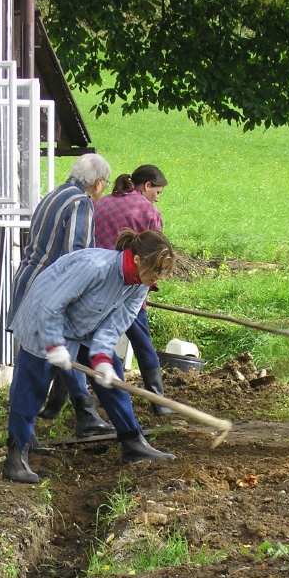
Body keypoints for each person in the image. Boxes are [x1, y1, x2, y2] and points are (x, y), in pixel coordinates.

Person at [3, 229, 177, 484]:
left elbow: (118, 322)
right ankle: (15, 458)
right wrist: (54, 345)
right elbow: (52, 305)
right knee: (33, 386)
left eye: (163, 272)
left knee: (113, 376)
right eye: (157, 270)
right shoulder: (94, 267)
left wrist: (102, 357)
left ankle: (133, 442)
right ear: (138, 260)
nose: (159, 277)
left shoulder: (141, 283)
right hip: (44, 319)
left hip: (84, 326)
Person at [6, 153, 115, 440]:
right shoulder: (80, 203)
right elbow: (75, 254)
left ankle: (32, 432)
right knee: (56, 350)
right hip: (49, 289)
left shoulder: (54, 195)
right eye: (105, 183)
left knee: (36, 358)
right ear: (99, 182)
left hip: (29, 280)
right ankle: (84, 412)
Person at [93, 164, 173, 415]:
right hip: (129, 284)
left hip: (95, 284)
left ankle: (69, 404)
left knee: (81, 338)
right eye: (157, 191)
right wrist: (148, 289)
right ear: (147, 185)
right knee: (142, 342)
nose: (157, 197)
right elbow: (156, 256)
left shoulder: (102, 203)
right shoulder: (149, 212)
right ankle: (158, 402)